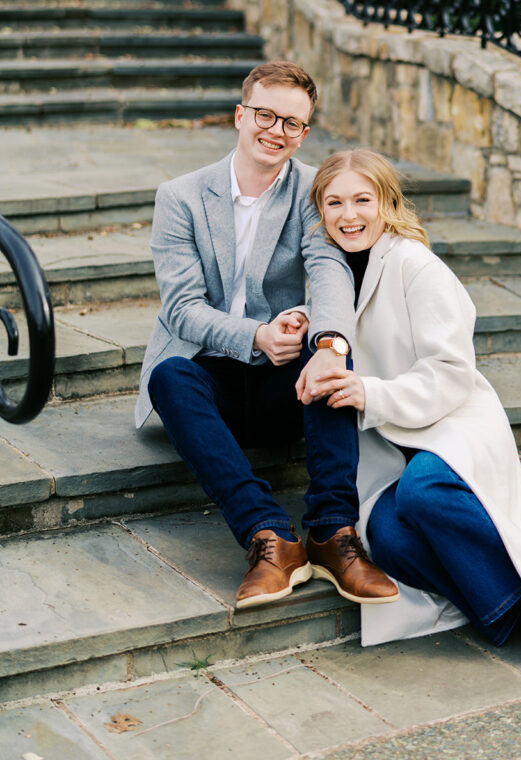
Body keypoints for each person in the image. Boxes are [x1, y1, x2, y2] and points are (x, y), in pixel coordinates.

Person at [305, 148, 521, 664]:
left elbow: (451, 371)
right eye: (334, 203)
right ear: (321, 210)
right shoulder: (327, 268)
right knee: (389, 539)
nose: (348, 215)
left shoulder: (414, 264)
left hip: (450, 422)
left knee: (423, 494)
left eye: (362, 200)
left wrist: (373, 394)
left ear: (387, 203)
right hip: (386, 444)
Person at [135, 63, 398, 611]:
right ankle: (268, 537)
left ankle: (332, 532)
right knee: (169, 376)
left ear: (305, 132)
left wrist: (326, 342)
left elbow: (329, 271)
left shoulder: (312, 190)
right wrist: (254, 334)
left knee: (327, 352)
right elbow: (181, 309)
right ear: (240, 115)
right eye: (265, 115)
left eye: (292, 123)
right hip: (212, 380)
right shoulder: (180, 197)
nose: (276, 131)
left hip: (287, 383)